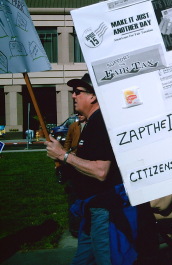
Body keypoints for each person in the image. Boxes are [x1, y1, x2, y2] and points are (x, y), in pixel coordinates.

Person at [45, 73, 158, 264]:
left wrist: (63, 156)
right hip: (91, 207)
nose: (73, 96)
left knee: (107, 260)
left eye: (78, 92)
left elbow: (100, 171)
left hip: (104, 210)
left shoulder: (101, 122)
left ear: (93, 96)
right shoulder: (91, 122)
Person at [62, 113, 87, 237]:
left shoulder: (91, 125)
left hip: (87, 162)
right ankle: (75, 227)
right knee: (74, 195)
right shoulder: (74, 126)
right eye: (79, 115)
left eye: (82, 114)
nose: (81, 116)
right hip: (73, 161)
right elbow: (68, 142)